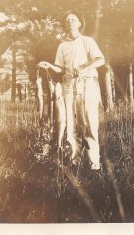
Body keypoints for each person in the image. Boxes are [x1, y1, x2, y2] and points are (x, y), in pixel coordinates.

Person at [38, 12, 105, 170]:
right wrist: (49, 65)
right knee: (70, 124)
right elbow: (60, 68)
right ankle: (75, 161)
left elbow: (100, 60)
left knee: (89, 122)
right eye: (67, 20)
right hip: (68, 85)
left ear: (79, 23)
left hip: (86, 84)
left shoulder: (88, 41)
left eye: (73, 19)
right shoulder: (62, 45)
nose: (70, 22)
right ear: (65, 25)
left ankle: (94, 164)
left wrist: (84, 68)